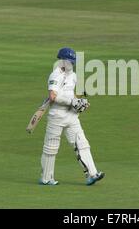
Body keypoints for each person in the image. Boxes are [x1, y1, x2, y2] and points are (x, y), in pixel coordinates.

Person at [39, 47, 105, 186]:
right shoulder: (55, 75)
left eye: (73, 62)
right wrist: (72, 101)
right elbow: (52, 96)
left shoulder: (73, 76)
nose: (72, 64)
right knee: (51, 147)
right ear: (62, 60)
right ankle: (46, 178)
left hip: (72, 115)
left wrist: (80, 101)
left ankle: (92, 174)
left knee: (82, 143)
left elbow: (73, 96)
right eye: (70, 61)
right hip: (57, 115)